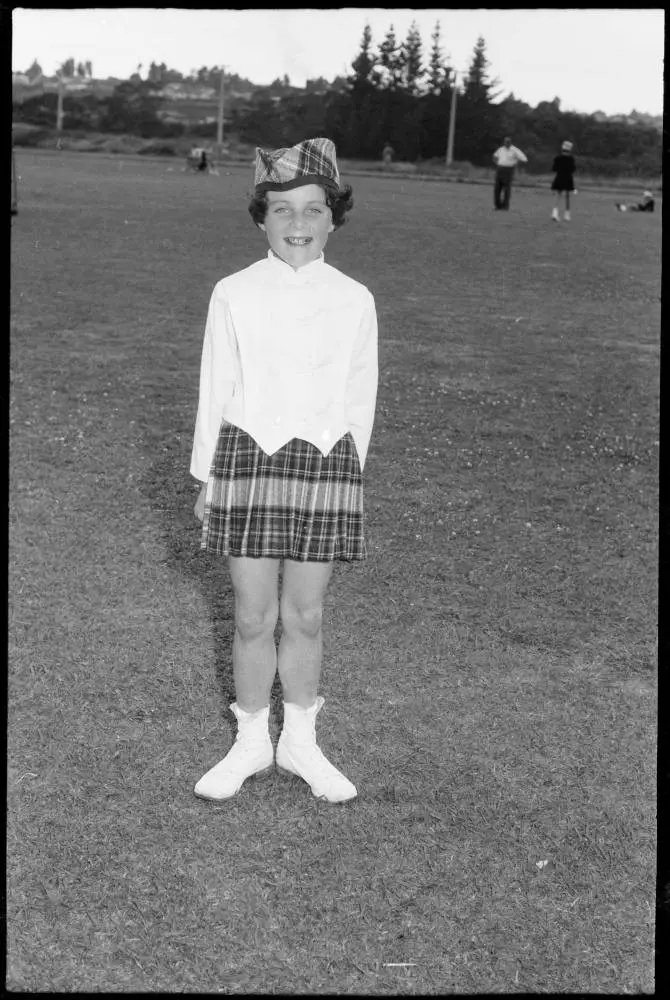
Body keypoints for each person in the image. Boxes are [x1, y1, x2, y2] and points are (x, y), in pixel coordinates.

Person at [190, 137, 378, 804]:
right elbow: (217, 387)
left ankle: (299, 743)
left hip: (326, 464)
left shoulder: (355, 298)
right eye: (281, 210)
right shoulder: (233, 292)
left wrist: (349, 471)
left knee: (305, 614)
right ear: (261, 218)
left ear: (334, 216)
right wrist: (208, 477)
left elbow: (360, 398)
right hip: (246, 459)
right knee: (251, 614)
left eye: (311, 210)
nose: (296, 225)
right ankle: (248, 742)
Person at [492, 136, 528, 210]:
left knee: (506, 189)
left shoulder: (515, 150)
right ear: (504, 142)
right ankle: (497, 205)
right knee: (497, 188)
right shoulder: (501, 149)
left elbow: (524, 159)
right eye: (505, 142)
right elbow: (495, 156)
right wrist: (497, 164)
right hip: (500, 169)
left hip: (508, 170)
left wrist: (516, 164)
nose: (506, 143)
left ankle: (505, 206)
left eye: (508, 142)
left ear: (510, 143)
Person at [551, 140, 576, 222]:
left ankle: (554, 213)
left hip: (559, 177)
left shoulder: (557, 158)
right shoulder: (571, 159)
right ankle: (567, 215)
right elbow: (573, 169)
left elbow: (554, 168)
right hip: (568, 178)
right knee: (567, 196)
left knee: (558, 195)